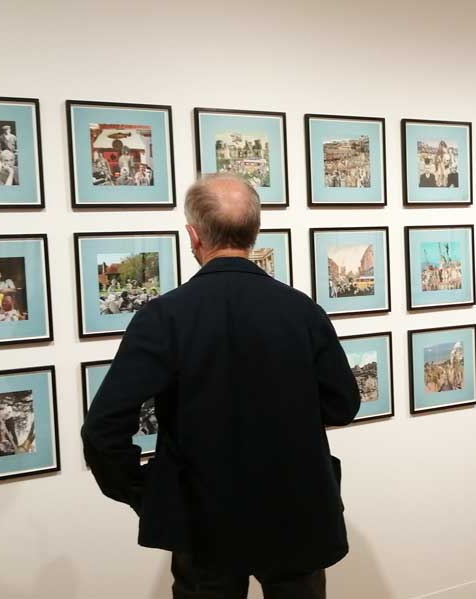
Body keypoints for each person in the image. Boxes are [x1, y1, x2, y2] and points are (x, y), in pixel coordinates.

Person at [82, 173, 360, 599]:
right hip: (297, 511)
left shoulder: (164, 317)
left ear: (193, 236)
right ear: (255, 232)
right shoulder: (301, 310)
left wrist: (146, 492)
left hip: (200, 517)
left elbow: (103, 431)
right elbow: (342, 404)